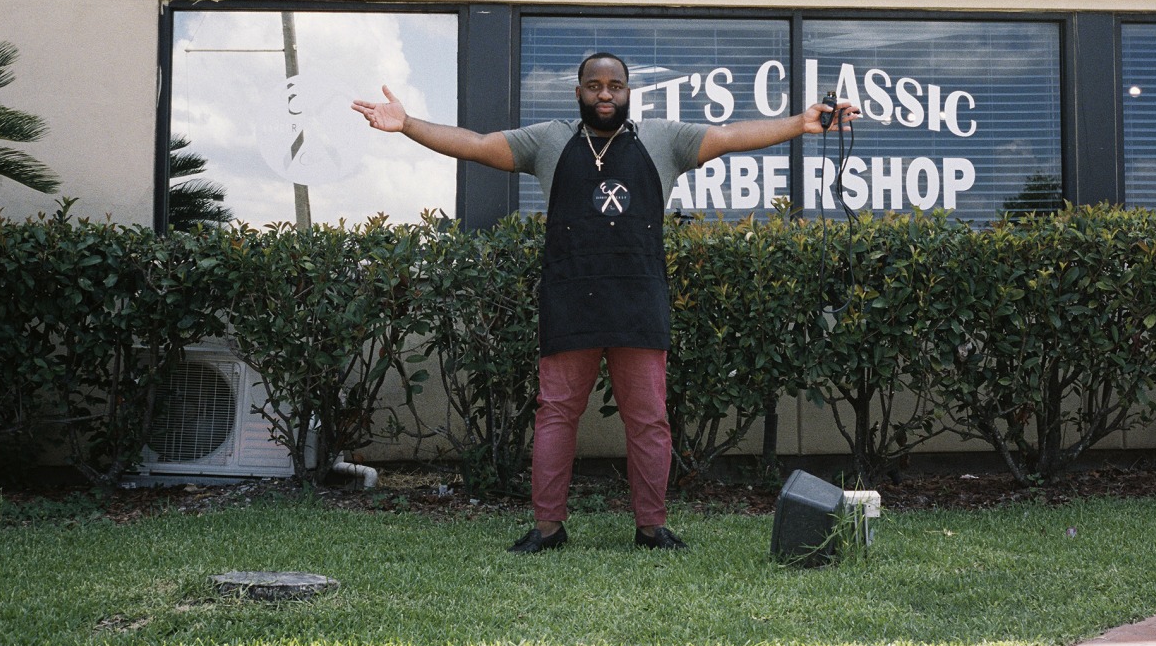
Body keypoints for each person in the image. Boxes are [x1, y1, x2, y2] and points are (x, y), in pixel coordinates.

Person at [352, 52, 857, 553]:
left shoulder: (662, 140)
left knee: (649, 419)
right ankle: (547, 528)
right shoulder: (550, 140)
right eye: (594, 86)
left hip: (638, 299)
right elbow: (480, 145)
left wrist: (800, 123)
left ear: (628, 91)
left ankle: (651, 528)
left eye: (615, 85)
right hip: (570, 297)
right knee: (555, 415)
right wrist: (408, 125)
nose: (605, 94)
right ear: (578, 92)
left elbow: (729, 137)